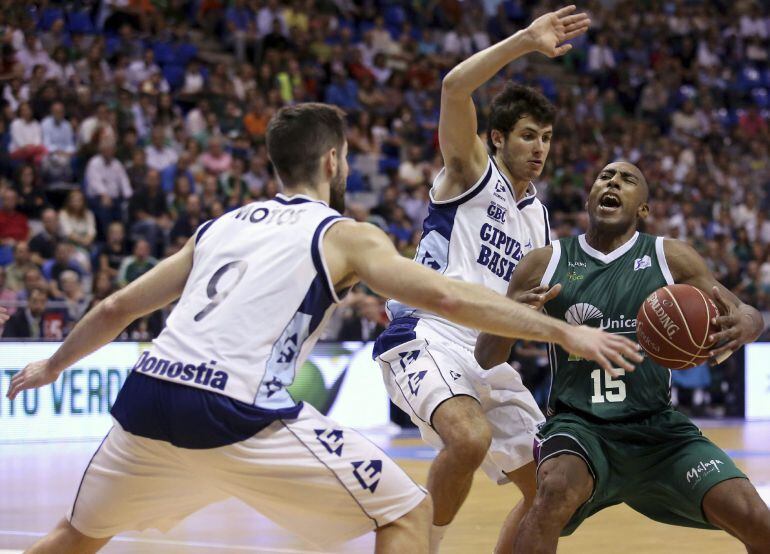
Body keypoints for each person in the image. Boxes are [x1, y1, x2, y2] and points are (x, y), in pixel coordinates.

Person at [5, 103, 639, 554]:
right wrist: (561, 332)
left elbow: (118, 309)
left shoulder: (219, 226)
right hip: (237, 411)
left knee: (73, 538)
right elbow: (446, 293)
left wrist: (50, 367)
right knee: (408, 516)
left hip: (144, 403)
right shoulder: (344, 234)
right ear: (334, 161)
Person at [372, 6, 590, 552]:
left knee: (555, 491)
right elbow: (452, 88)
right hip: (427, 334)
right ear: (496, 138)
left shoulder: (539, 219)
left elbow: (515, 314)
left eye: (545, 138)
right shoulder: (470, 171)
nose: (539, 149)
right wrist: (525, 40)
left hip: (485, 355)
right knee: (470, 438)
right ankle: (423, 544)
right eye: (526, 136)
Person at [475, 161, 770, 553]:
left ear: (642, 209)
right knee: (554, 492)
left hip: (658, 432)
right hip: (579, 428)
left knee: (757, 519)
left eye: (627, 179)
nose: (613, 181)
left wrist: (750, 324)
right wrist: (513, 320)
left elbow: (742, 311)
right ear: (590, 197)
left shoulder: (670, 257)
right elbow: (485, 355)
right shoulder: (543, 263)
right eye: (604, 177)